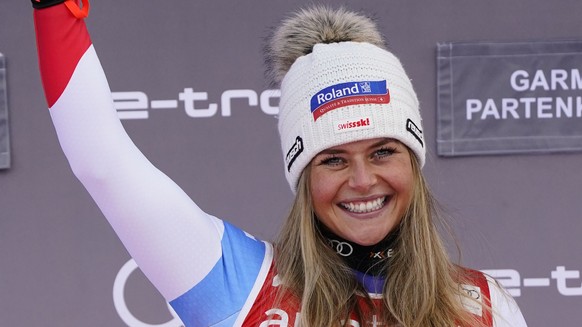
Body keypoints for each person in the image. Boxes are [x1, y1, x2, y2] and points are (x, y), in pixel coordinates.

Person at [31, 0, 527, 326]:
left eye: (383, 151)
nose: (362, 180)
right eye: (332, 159)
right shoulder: (242, 286)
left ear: (413, 163)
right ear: (303, 176)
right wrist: (55, 9)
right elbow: (102, 160)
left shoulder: (484, 305)